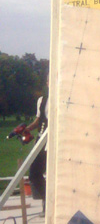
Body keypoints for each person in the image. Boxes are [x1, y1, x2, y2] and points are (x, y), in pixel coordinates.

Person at [26, 78, 48, 214]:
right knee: (34, 173)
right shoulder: (42, 100)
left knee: (53, 173)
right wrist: (26, 129)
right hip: (41, 140)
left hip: (54, 140)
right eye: (48, 81)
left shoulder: (62, 99)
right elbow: (39, 120)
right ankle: (46, 199)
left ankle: (49, 204)